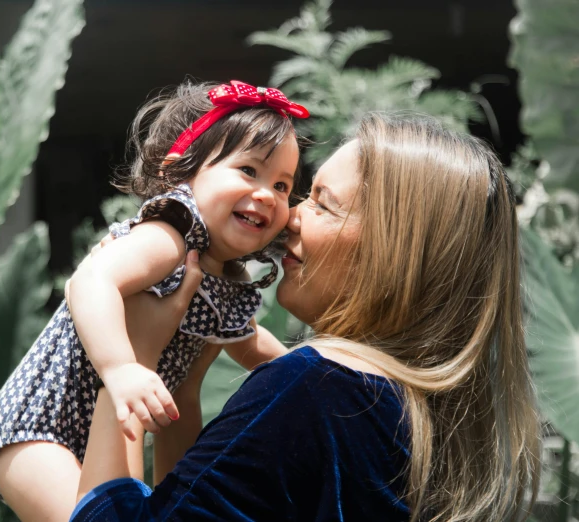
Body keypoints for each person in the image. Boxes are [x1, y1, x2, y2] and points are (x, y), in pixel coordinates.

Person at [69, 113, 542, 522]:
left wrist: (134, 358)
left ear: (390, 251)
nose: (290, 215)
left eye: (321, 203)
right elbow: (188, 502)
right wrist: (186, 386)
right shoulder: (417, 412)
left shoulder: (313, 388)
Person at [0, 80, 310, 521]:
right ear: (185, 170)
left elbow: (250, 345)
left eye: (284, 185)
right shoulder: (171, 232)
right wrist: (120, 368)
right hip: (40, 426)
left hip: (106, 424)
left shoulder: (226, 274)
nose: (268, 194)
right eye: (249, 171)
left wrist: (308, 374)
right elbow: (90, 281)